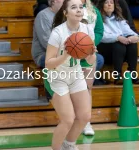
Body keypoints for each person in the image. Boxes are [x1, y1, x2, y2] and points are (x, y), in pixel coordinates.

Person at [45, 0, 96, 149]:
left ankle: (69, 144)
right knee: (68, 120)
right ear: (65, 13)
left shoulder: (87, 30)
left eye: (81, 7)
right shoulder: (58, 33)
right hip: (57, 77)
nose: (79, 10)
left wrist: (91, 54)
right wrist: (66, 54)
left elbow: (90, 61)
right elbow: (48, 63)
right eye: (74, 7)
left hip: (75, 75)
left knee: (85, 116)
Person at [97, 0, 139, 84]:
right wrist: (118, 37)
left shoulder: (118, 18)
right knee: (119, 44)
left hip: (119, 53)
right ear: (102, 6)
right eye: (107, 3)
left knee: (132, 44)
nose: (109, 4)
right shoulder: (98, 19)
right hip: (104, 51)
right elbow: (102, 36)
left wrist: (135, 37)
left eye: (111, 2)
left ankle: (132, 73)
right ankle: (117, 75)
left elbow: (129, 31)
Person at [80, 0, 104, 136]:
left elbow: (99, 31)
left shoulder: (94, 11)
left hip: (89, 54)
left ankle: (86, 122)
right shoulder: (66, 8)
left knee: (87, 88)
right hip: (70, 55)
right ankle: (70, 121)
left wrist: (90, 44)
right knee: (71, 89)